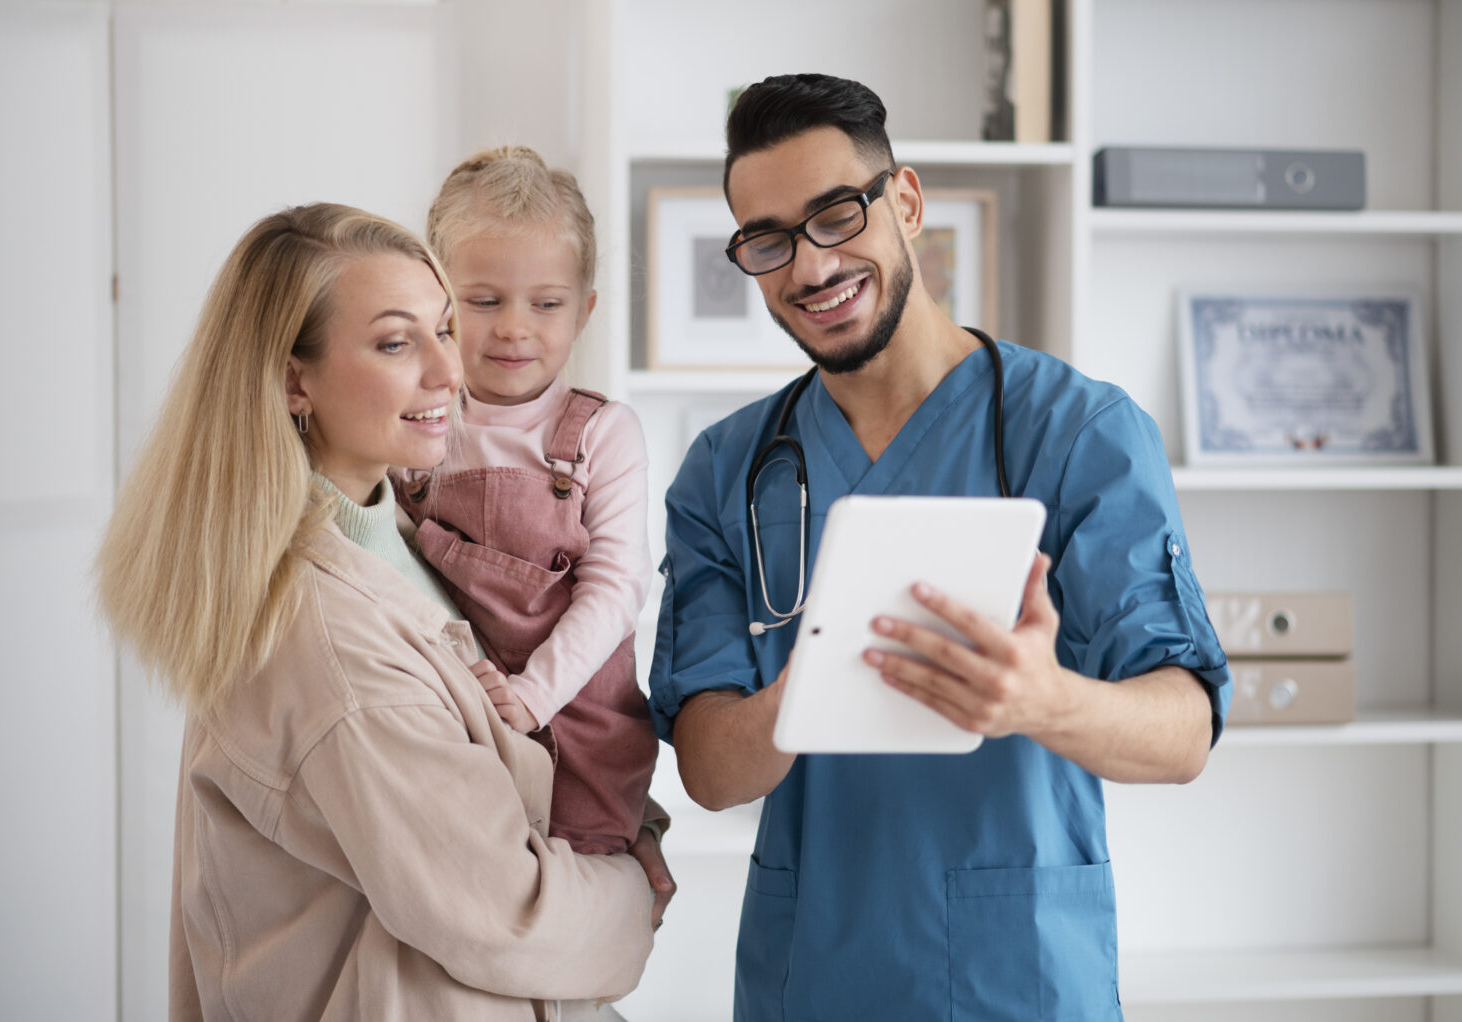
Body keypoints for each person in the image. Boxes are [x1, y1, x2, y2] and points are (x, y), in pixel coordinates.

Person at [648, 73, 1233, 1021]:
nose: (809, 267)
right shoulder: (727, 471)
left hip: (1021, 973)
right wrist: (808, 693)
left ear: (906, 203)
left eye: (837, 215)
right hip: (814, 972)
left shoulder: (1078, 434)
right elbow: (711, 774)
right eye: (768, 241)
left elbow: (1184, 733)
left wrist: (1043, 700)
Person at [96, 203, 670, 1021]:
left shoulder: (409, 536)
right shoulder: (331, 644)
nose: (451, 371)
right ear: (296, 379)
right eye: (398, 343)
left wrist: (622, 822)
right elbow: (507, 911)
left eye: (444, 328)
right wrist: (631, 889)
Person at [400, 146, 658, 858]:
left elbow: (617, 585)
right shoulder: (417, 423)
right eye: (484, 301)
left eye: (546, 304)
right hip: (457, 723)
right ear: (440, 303)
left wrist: (533, 695)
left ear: (584, 311)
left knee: (571, 908)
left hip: (580, 726)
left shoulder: (604, 434)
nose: (515, 327)